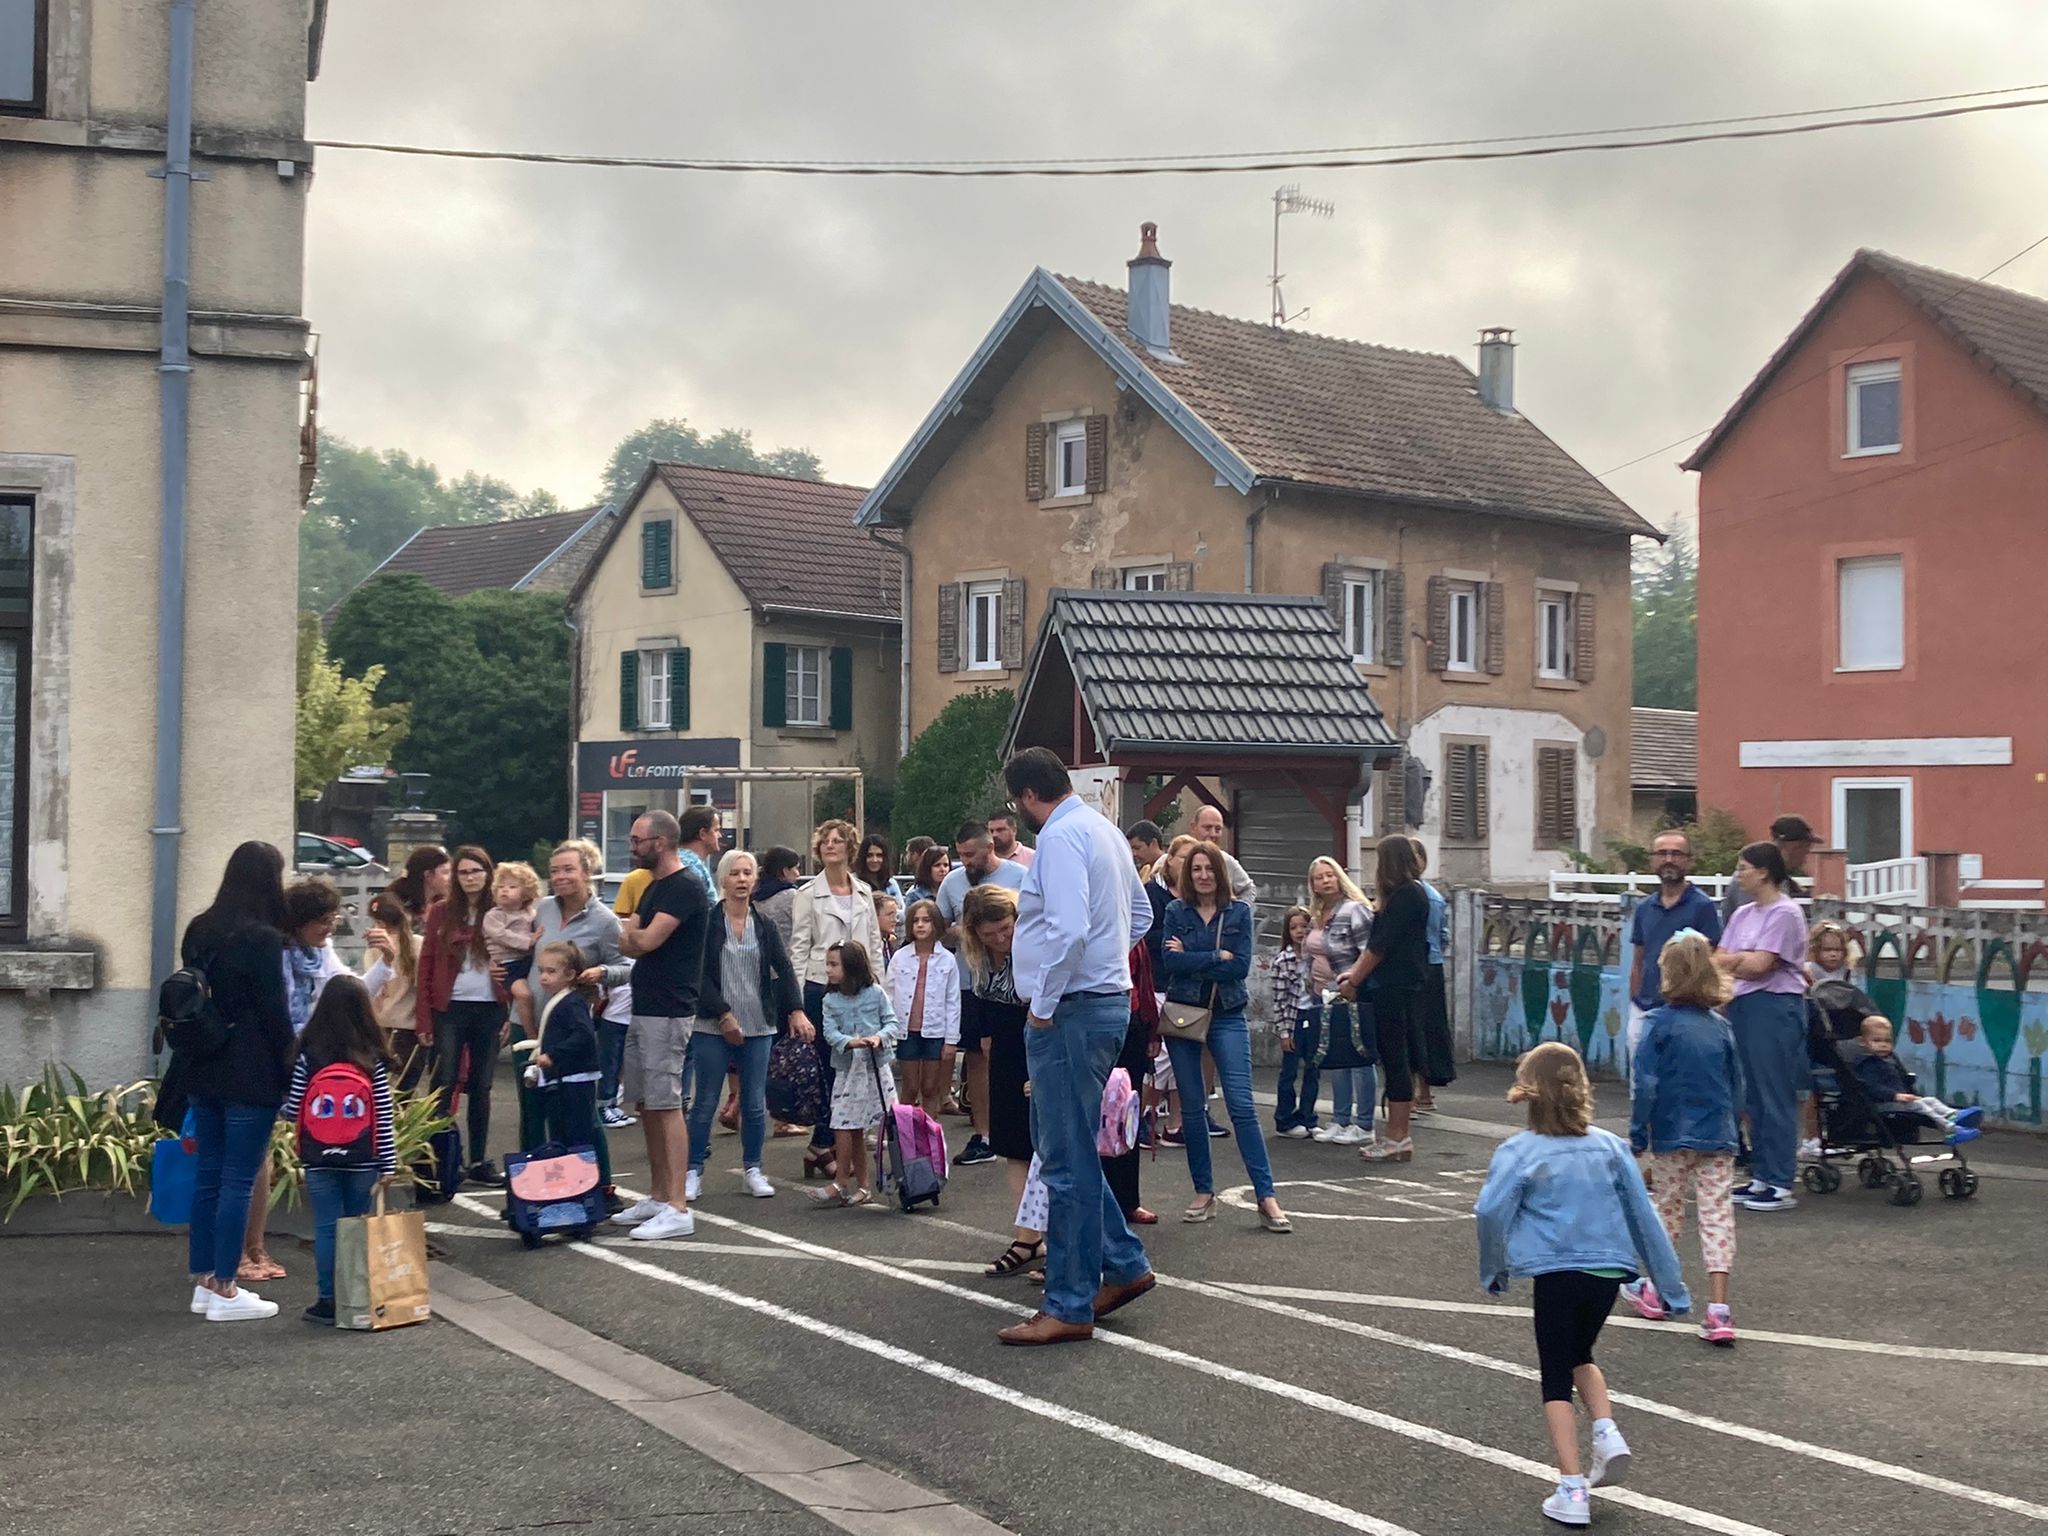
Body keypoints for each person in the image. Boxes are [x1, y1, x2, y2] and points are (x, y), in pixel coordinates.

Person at [1475, 1042, 1689, 1528]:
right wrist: (1670, 1288)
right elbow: (1644, 1217)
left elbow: (1491, 1211)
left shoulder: (1519, 1150)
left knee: (1554, 1373)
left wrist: (1494, 1267)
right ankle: (1607, 1430)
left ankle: (1571, 1486)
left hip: (1555, 1274)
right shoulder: (1611, 1147)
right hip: (1608, 1275)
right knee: (1580, 1355)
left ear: (1529, 1096)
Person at [997, 747, 1160, 1347]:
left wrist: (1043, 1003)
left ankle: (1067, 1304)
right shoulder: (1105, 831)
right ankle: (1122, 1264)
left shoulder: (1062, 838)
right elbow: (1138, 914)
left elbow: (1065, 929)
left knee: (1063, 1162)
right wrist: (1106, 957)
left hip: (1070, 1011)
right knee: (1070, 1152)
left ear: (1025, 797)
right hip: (1100, 1002)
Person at [167, 841, 295, 1323]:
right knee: (239, 1178)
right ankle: (226, 1285)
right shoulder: (262, 938)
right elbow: (274, 1011)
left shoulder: (201, 928)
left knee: (210, 1177)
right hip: (250, 1068)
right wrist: (290, 1068)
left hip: (202, 1063)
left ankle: (204, 1280)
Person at [1161, 841, 1291, 1233]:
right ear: (1188, 873)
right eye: (1196, 869)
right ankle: (1204, 1193)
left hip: (1227, 1016)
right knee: (1194, 1107)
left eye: (1210, 869)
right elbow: (1169, 962)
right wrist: (1217, 956)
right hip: (1184, 1018)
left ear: (1221, 873)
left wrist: (1194, 957)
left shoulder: (1239, 912)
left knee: (1241, 1104)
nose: (1203, 875)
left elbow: (1241, 969)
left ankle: (1266, 1196)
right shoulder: (1174, 911)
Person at [1626, 931, 1742, 1345]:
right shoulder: (1722, 1028)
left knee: (1666, 1211)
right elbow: (1735, 1086)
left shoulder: (1657, 1025)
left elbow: (1646, 1086)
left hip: (1672, 1134)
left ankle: (1657, 1290)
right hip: (1718, 1135)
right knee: (1716, 1216)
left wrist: (1639, 1133)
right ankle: (1718, 1308)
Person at [611, 810, 716, 1240]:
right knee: (647, 1104)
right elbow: (632, 943)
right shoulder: (652, 887)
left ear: (662, 841)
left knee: (667, 1103)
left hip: (671, 1010)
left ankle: (677, 1205)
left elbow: (645, 940)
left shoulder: (685, 887)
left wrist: (617, 929)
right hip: (645, 1005)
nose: (632, 847)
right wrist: (627, 933)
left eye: (638, 840)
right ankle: (657, 1195)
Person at [688, 849, 811, 1201]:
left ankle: (753, 1169)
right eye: (735, 873)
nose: (742, 880)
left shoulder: (764, 924)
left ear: (755, 880)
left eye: (748, 873)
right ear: (722, 880)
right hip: (712, 1024)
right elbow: (699, 975)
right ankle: (693, 1170)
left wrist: (795, 1010)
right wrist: (723, 1014)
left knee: (755, 1102)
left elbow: (783, 969)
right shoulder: (708, 924)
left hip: (759, 1024)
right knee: (706, 1100)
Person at [248, 876, 350, 1281]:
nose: (330, 927)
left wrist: (390, 965)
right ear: (300, 921)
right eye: (323, 919)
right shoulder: (277, 955)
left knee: (262, 1157)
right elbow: (278, 1017)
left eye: (333, 918)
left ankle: (253, 1248)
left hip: (294, 1062)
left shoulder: (315, 955)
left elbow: (348, 987)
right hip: (271, 1063)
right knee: (252, 1160)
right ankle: (246, 1252)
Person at [282, 975, 397, 1325]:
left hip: (318, 1157)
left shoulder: (309, 1055)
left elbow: (293, 1110)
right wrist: (388, 1163)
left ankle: (327, 1301)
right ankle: (357, 1298)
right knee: (357, 1226)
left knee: (327, 1228)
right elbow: (383, 1113)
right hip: (363, 1158)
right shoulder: (371, 1059)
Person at [1713, 841, 1810, 1213]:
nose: (1739, 875)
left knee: (1775, 1092)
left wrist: (1738, 961)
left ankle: (1781, 1179)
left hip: (1774, 1006)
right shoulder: (1742, 914)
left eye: (1743, 868)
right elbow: (1721, 957)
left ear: (1764, 871)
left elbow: (1762, 965)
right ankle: (1761, 1174)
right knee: (1750, 1095)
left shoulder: (1785, 913)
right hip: (1743, 1004)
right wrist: (1741, 960)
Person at [789, 818, 886, 1182]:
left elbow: (874, 946)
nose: (831, 846)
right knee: (828, 1070)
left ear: (849, 847)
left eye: (837, 841)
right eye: (825, 841)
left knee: (856, 1068)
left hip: (859, 988)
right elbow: (798, 948)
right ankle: (822, 1143)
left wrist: (882, 994)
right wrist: (795, 1004)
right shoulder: (807, 894)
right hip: (820, 986)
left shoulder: (863, 891)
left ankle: (825, 1146)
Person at [957, 885, 1043, 1278]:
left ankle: (1057, 1240)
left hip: (1037, 1043)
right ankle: (1027, 1237)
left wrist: (1037, 1070)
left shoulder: (1033, 944)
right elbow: (983, 1007)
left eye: (1005, 929)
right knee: (1013, 1145)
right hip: (1005, 1051)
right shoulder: (976, 955)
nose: (999, 939)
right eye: (989, 934)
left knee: (1046, 1148)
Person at [417, 845, 509, 1189]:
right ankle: (442, 1158)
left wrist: (508, 1010)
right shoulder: (441, 912)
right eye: (463, 872)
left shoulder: (500, 911)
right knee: (444, 1082)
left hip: (489, 1007)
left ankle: (479, 1161)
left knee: (482, 1087)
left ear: (489, 874)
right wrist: (424, 1018)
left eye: (476, 871)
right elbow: (426, 963)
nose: (470, 878)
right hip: (449, 1008)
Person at [938, 820, 1028, 1168]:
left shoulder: (1019, 877)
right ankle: (985, 1133)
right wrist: (962, 933)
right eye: (959, 855)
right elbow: (940, 927)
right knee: (978, 1056)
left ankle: (1020, 1127)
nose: (965, 862)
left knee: (1018, 1057)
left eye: (970, 855)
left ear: (989, 848)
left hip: (1018, 985)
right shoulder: (952, 882)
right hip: (972, 981)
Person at [1338, 836, 1434, 1162]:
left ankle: (1397, 1136)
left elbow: (1380, 946)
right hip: (1399, 985)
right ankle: (1396, 1135)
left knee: (1396, 1060)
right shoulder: (1408, 895)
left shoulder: (1406, 896)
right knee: (1396, 1059)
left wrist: (1353, 979)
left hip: (1395, 986)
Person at [813, 941, 902, 1208]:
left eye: (833, 965)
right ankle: (847, 1182)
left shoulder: (875, 993)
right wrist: (850, 1042)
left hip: (874, 1071)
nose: (828, 970)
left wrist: (878, 1037)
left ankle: (860, 1184)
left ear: (851, 967)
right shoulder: (829, 1000)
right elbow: (829, 1033)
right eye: (827, 964)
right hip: (847, 1070)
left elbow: (892, 1023)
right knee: (844, 1123)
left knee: (859, 1128)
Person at [1626, 831, 1724, 1062]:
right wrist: (1635, 1002)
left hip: (1687, 1011)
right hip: (1645, 1010)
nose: (1669, 859)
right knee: (1642, 1080)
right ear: (1652, 860)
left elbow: (1713, 959)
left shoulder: (1702, 906)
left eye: (1676, 854)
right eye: (1662, 853)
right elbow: (1639, 959)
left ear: (1689, 860)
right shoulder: (1644, 908)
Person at [1305, 857, 1375, 1148]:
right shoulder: (1320, 914)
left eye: (1330, 875)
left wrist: (1355, 983)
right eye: (1319, 877)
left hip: (1353, 990)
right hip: (1328, 993)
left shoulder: (1353, 910)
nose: (1325, 881)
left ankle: (1365, 1124)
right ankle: (1341, 1118)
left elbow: (1368, 950)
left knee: (1359, 1058)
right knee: (1336, 1058)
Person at [523, 941, 603, 1156]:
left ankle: (582, 1181)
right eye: (541, 971)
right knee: (562, 1133)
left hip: (574, 1078)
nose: (544, 977)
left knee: (576, 1134)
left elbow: (584, 1035)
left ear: (570, 975)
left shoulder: (572, 1002)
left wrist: (553, 1055)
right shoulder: (564, 1000)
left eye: (551, 971)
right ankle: (570, 1179)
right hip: (564, 1077)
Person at [1853, 1017, 1984, 1139]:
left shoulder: (1890, 1060)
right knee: (1921, 1106)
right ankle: (1950, 1129)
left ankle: (1953, 1114)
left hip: (1900, 1100)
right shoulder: (1867, 1064)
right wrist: (1895, 1096)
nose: (1883, 1045)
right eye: (1877, 1041)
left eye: (1887, 1041)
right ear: (1863, 1042)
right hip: (1882, 1103)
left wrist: (1910, 1091)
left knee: (1930, 1100)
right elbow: (1871, 1087)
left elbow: (1900, 1081)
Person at [888, 899, 960, 1115]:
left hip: (935, 1032)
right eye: (916, 921)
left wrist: (951, 1040)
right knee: (909, 1088)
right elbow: (889, 993)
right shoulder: (900, 957)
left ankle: (930, 1142)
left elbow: (953, 1001)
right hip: (906, 1032)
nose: (920, 925)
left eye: (926, 920)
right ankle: (904, 1139)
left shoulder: (947, 960)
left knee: (930, 1088)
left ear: (936, 925)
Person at [1407, 839, 1457, 1109]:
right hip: (1432, 964)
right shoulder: (1433, 896)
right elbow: (1443, 937)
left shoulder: (1416, 896)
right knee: (1430, 1027)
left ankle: (1418, 1092)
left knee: (1416, 1027)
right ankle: (1423, 1092)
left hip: (1419, 966)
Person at [361, 890, 424, 1087]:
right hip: (410, 1028)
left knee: (380, 1090)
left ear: (379, 923)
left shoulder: (375, 948)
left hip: (380, 1026)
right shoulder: (419, 944)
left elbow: (372, 989)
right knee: (405, 1091)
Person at [1270, 906, 1320, 1138]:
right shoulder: (1283, 960)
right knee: (1289, 1072)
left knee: (1313, 1069)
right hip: (1293, 1019)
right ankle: (1284, 1119)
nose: (1300, 931)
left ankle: (1308, 1117)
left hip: (1314, 1015)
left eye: (1304, 926)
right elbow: (1279, 1001)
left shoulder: (1316, 958)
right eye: (1294, 927)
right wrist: (1283, 1033)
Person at [486, 859, 542, 1043]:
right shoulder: (494, 915)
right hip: (509, 964)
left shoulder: (530, 913)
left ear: (526, 892)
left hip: (528, 961)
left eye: (512, 886)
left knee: (534, 993)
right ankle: (531, 1034)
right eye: (501, 886)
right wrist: (529, 941)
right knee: (523, 995)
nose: (505, 890)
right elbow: (501, 936)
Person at [1720, 814, 1815, 921]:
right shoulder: (1752, 879)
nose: (1807, 853)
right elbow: (1754, 923)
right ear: (1792, 847)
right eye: (1805, 847)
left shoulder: (1780, 880)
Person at [1188, 803, 1258, 904]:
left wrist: (1238, 913)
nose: (1213, 834)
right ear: (1193, 828)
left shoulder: (1226, 860)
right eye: (1207, 828)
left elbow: (1249, 889)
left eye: (1218, 829)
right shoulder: (1176, 858)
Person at [386, 844, 450, 932]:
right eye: (445, 872)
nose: (451, 878)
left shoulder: (445, 907)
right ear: (428, 875)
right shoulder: (397, 907)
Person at [754, 846, 805, 948]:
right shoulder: (792, 896)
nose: (798, 874)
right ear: (785, 871)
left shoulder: (754, 897)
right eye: (796, 868)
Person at [677, 805, 721, 892]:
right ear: (703, 834)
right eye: (716, 830)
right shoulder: (693, 869)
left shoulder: (677, 862)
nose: (720, 835)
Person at [857, 834, 905, 901]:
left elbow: (901, 909)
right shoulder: (854, 883)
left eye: (879, 855)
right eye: (870, 855)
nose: (874, 860)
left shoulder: (891, 884)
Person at [906, 843, 951, 908]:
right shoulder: (915, 896)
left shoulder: (954, 892)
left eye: (946, 865)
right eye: (937, 865)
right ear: (927, 868)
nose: (943, 869)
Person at [874, 890, 901, 964]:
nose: (895, 920)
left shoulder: (890, 942)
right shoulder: (869, 946)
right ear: (874, 915)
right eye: (890, 915)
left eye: (895, 915)